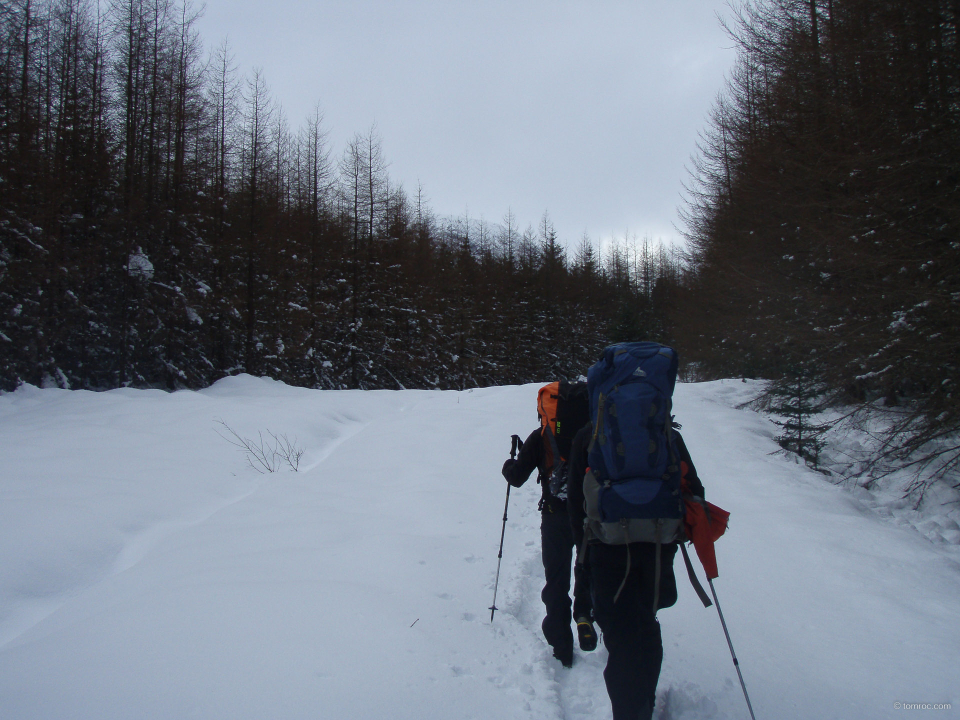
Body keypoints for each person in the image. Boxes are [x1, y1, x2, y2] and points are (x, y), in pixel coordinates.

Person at [567, 420, 706, 720]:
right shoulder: (667, 434)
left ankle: (632, 713)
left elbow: (576, 503)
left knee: (622, 639)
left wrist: (584, 552)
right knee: (645, 623)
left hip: (606, 549)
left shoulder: (587, 435)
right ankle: (645, 704)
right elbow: (695, 491)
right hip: (657, 546)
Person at [501, 424, 596, 667]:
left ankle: (561, 646)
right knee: (587, 569)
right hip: (589, 515)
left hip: (555, 515)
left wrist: (509, 464)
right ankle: (585, 614)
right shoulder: (594, 431)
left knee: (556, 578)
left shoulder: (541, 436)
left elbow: (517, 478)